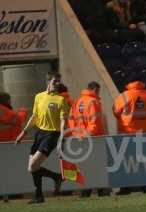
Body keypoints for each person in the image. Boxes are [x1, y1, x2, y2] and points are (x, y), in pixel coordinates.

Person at [15, 73, 69, 204]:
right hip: (39, 133)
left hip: (51, 135)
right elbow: (34, 117)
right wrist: (23, 133)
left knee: (33, 165)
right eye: (55, 81)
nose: (58, 84)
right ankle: (41, 193)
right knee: (31, 168)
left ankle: (54, 180)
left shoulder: (61, 100)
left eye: (59, 82)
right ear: (48, 82)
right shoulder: (39, 97)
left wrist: (61, 138)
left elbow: (63, 121)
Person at [113, 81, 146, 195]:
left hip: (128, 133)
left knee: (126, 162)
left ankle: (126, 188)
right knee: (144, 161)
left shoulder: (124, 95)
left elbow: (116, 111)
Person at [69, 81, 109, 198]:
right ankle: (102, 191)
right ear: (94, 89)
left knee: (86, 167)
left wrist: (77, 135)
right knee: (99, 166)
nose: (98, 93)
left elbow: (71, 120)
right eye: (98, 91)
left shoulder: (77, 101)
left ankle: (85, 192)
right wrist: (88, 136)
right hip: (94, 139)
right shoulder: (93, 102)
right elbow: (94, 123)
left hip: (81, 139)